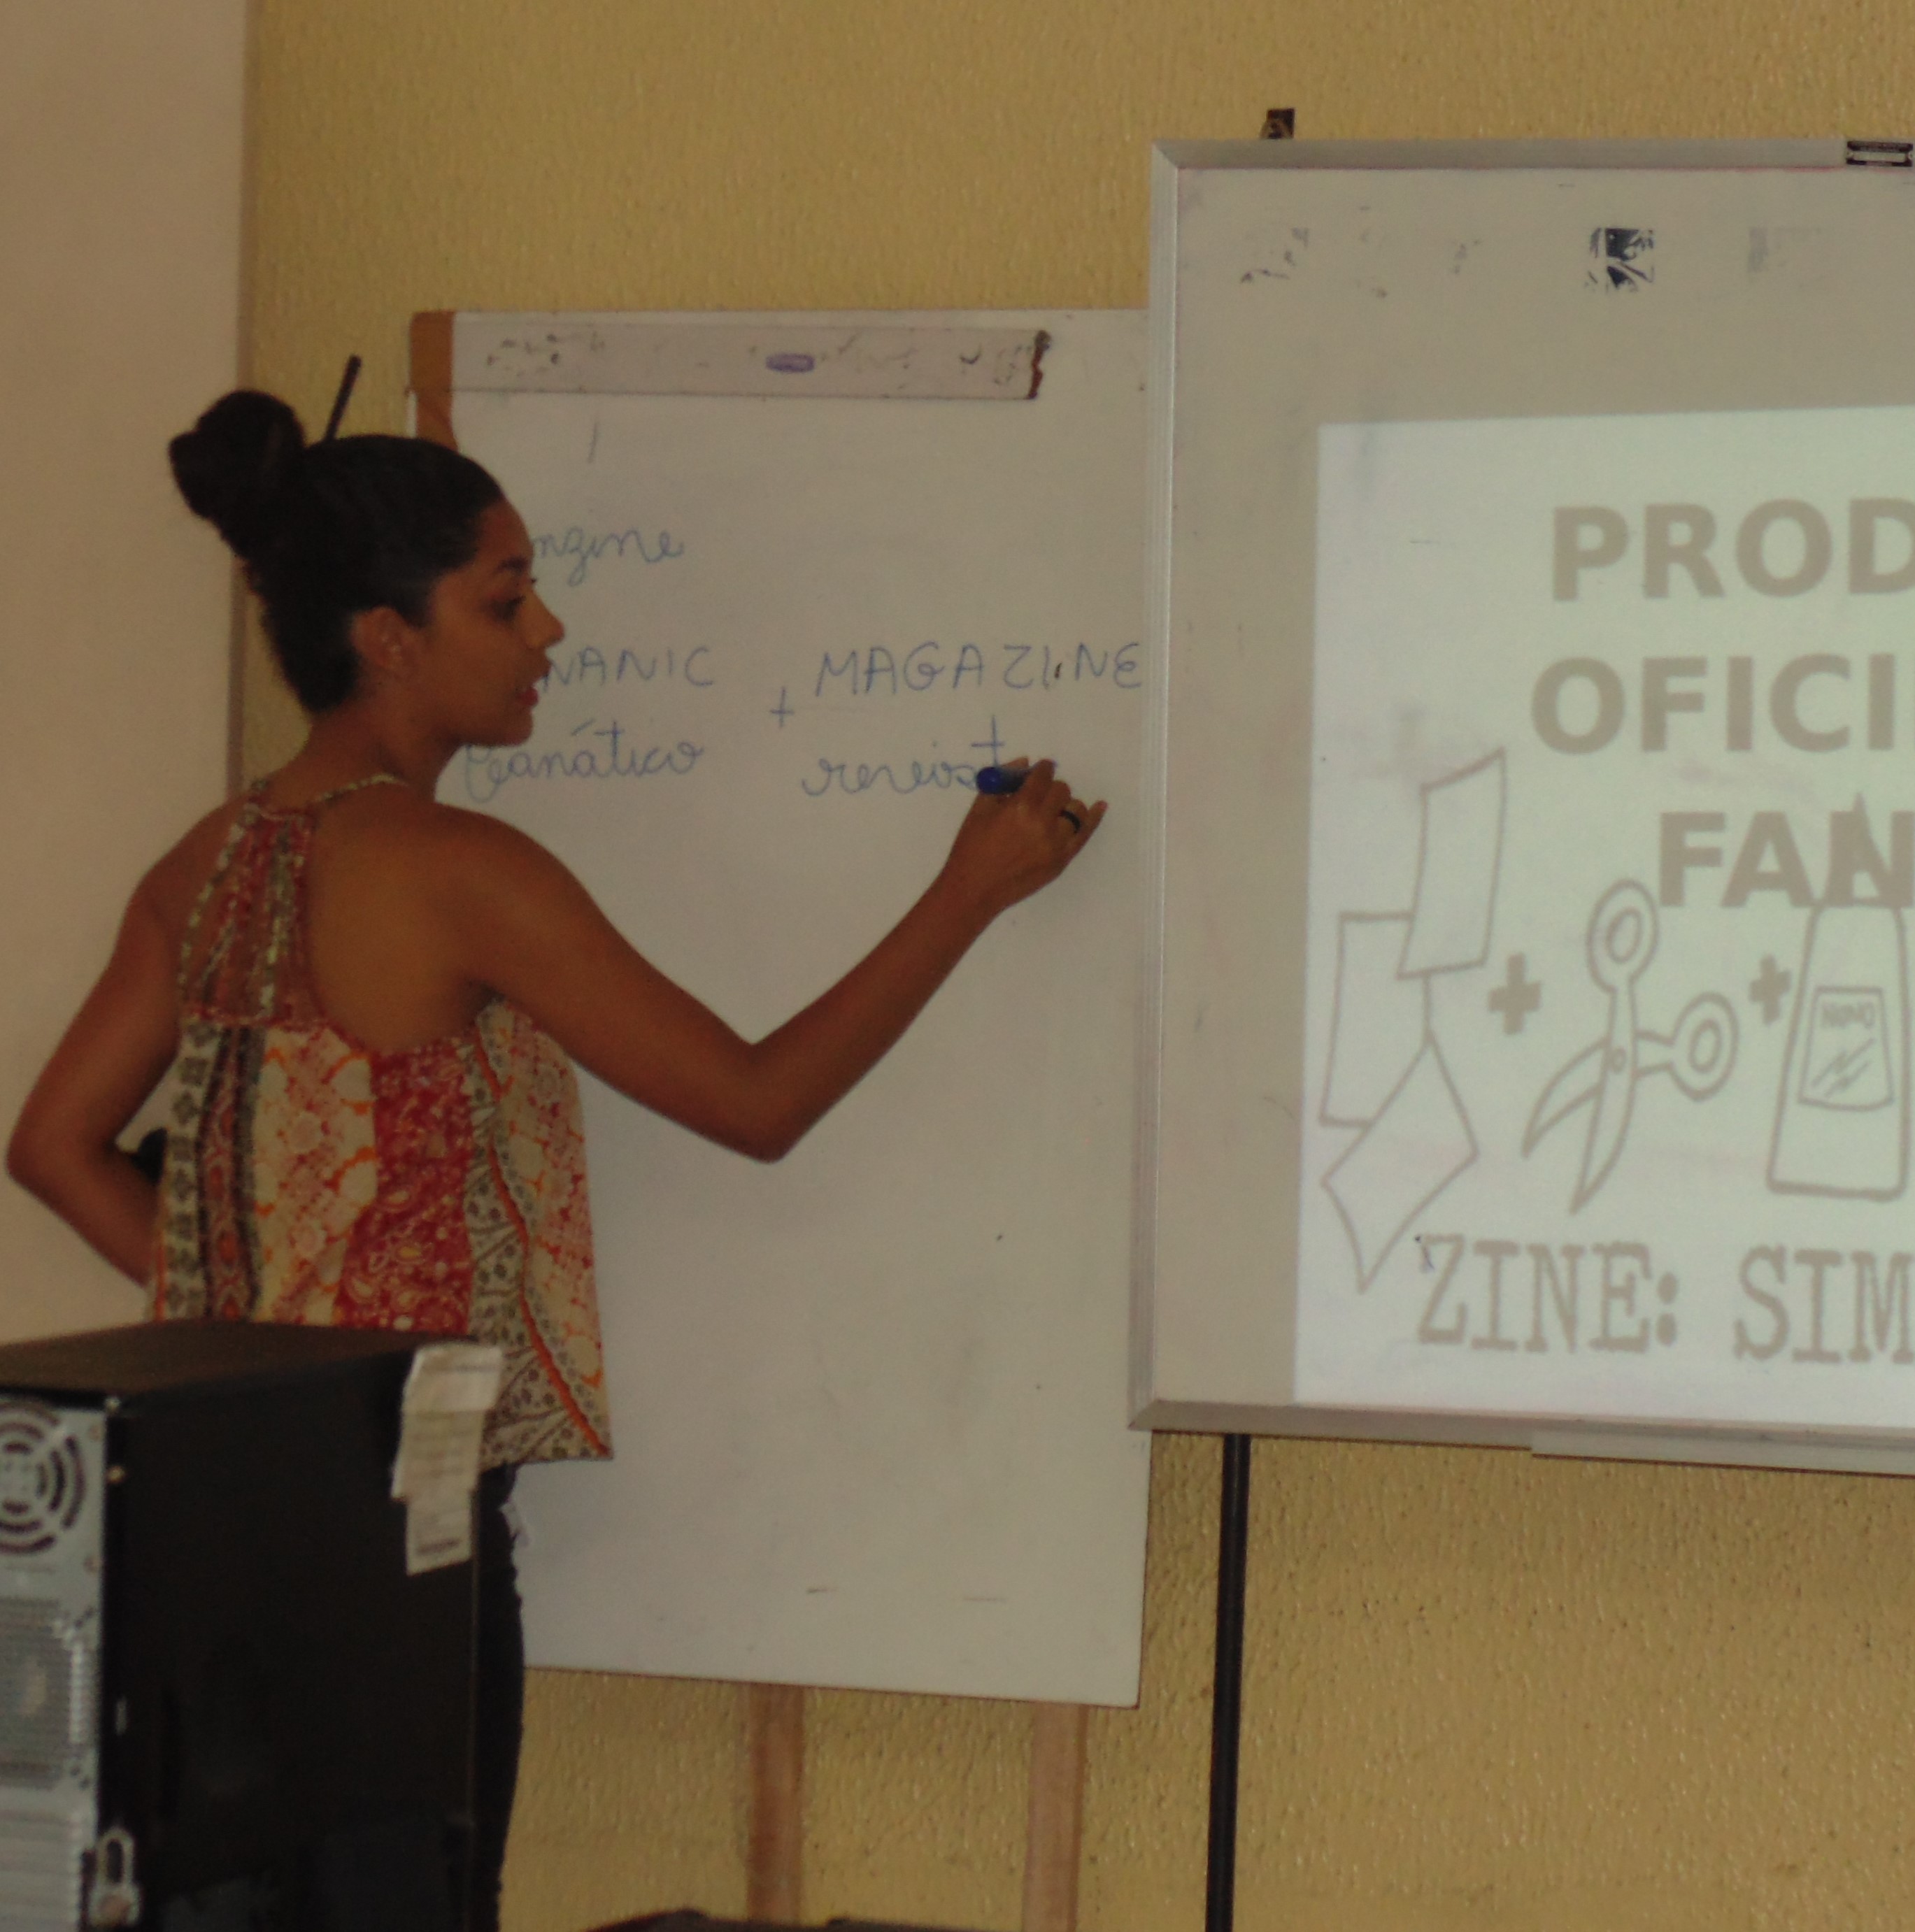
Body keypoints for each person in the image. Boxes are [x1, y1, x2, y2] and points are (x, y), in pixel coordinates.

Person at [4, 388, 1103, 1929]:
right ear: (388, 637)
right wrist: (968, 892)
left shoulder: (208, 861)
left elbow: (54, 1146)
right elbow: (757, 1101)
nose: (549, 633)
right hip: (402, 1542)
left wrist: (251, 1338)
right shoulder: (457, 871)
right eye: (505, 598)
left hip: (211, 1536)